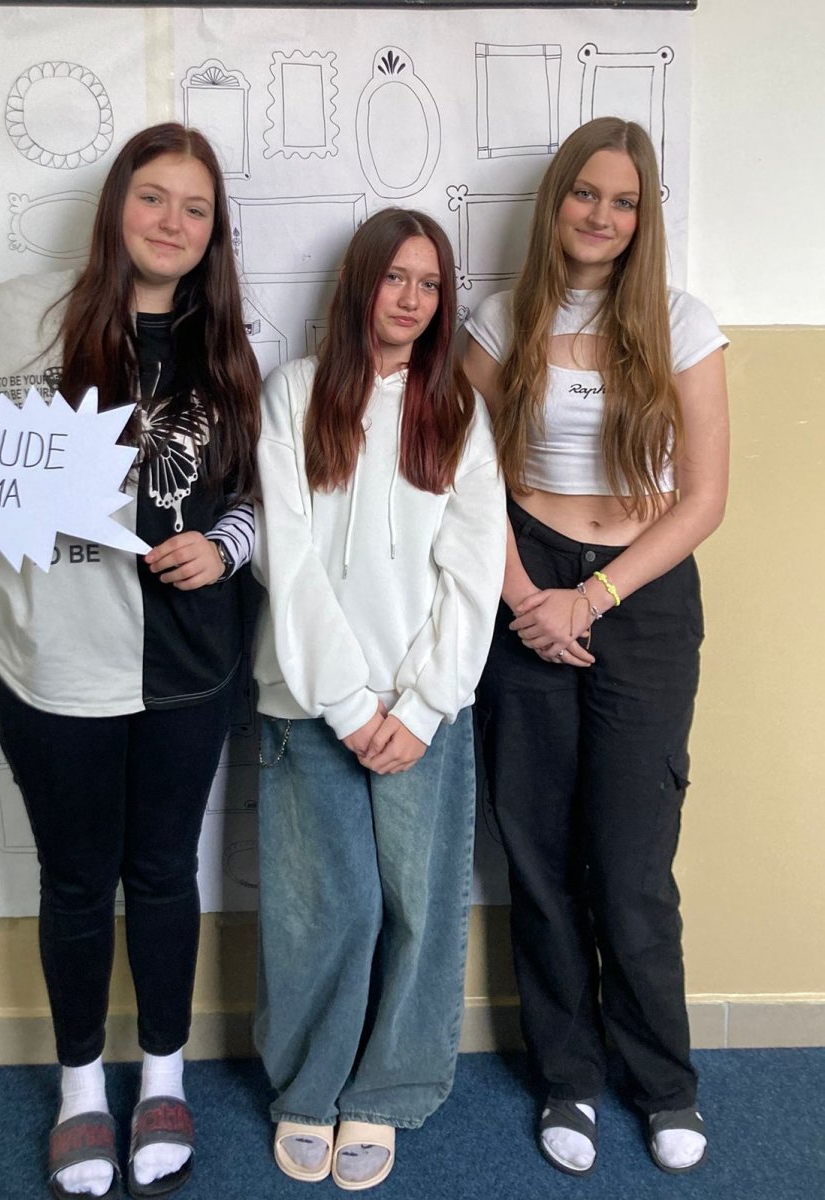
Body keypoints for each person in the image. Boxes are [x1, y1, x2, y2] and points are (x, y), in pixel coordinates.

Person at [0, 123, 261, 1200]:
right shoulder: (17, 317)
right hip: (50, 664)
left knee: (163, 873)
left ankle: (163, 1077)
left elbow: (264, 501)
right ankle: (83, 1086)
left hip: (187, 669)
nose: (172, 222)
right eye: (153, 196)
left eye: (196, 208)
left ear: (214, 232)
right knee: (77, 881)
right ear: (115, 204)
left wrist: (223, 549)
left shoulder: (224, 344)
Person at [462, 117, 729, 1178]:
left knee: (630, 863)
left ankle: (664, 1084)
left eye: (624, 202)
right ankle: (567, 1076)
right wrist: (529, 597)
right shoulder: (499, 320)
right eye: (586, 194)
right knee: (536, 853)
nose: (602, 216)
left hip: (641, 594)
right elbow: (464, 480)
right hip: (522, 577)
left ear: (643, 217)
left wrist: (595, 596)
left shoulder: (681, 322)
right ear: (557, 201)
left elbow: (703, 500)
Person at [251, 208, 505, 1190]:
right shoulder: (294, 394)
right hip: (309, 701)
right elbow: (287, 559)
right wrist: (348, 703)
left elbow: (472, 571)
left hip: (423, 708)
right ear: (360, 282)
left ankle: (388, 1090)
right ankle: (309, 1086)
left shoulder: (458, 412)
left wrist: (425, 704)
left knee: (418, 905)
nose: (412, 298)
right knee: (329, 907)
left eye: (431, 284)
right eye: (396, 277)